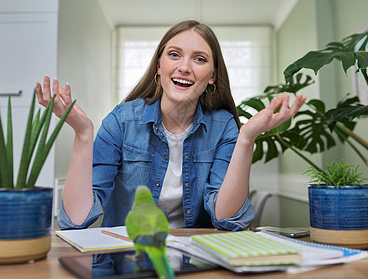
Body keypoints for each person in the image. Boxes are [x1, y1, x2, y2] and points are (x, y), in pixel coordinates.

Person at [37, 20, 305, 231]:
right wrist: (83, 134)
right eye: (174, 55)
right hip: (127, 266)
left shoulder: (224, 128)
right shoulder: (121, 121)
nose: (184, 67)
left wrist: (247, 137)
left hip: (197, 266)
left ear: (212, 76)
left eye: (199, 59)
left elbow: (227, 219)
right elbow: (76, 220)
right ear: (158, 66)